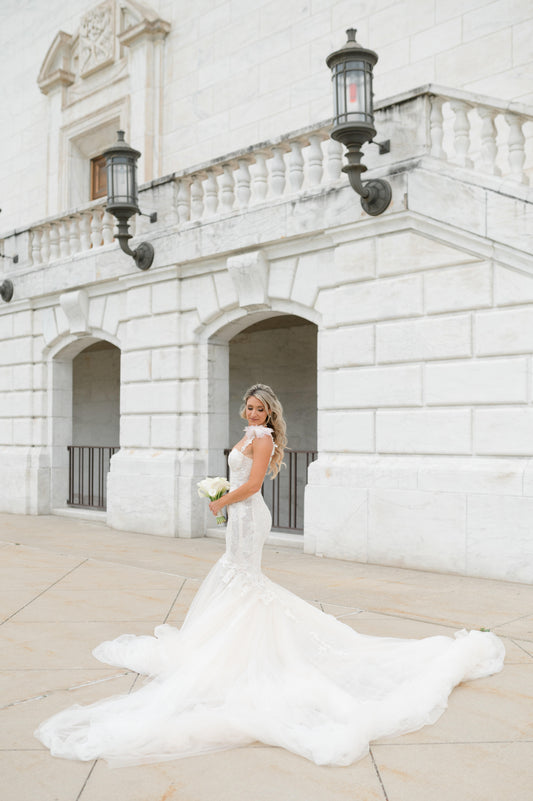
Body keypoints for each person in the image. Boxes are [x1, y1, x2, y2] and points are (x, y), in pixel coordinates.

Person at [35, 383, 505, 767]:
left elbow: (254, 484)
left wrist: (221, 499)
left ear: (269, 414)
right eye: (249, 405)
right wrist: (220, 495)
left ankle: (238, 654)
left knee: (243, 581)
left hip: (247, 515)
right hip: (236, 516)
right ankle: (224, 649)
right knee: (236, 580)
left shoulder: (261, 440)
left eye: (260, 408)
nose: (253, 412)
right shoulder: (245, 434)